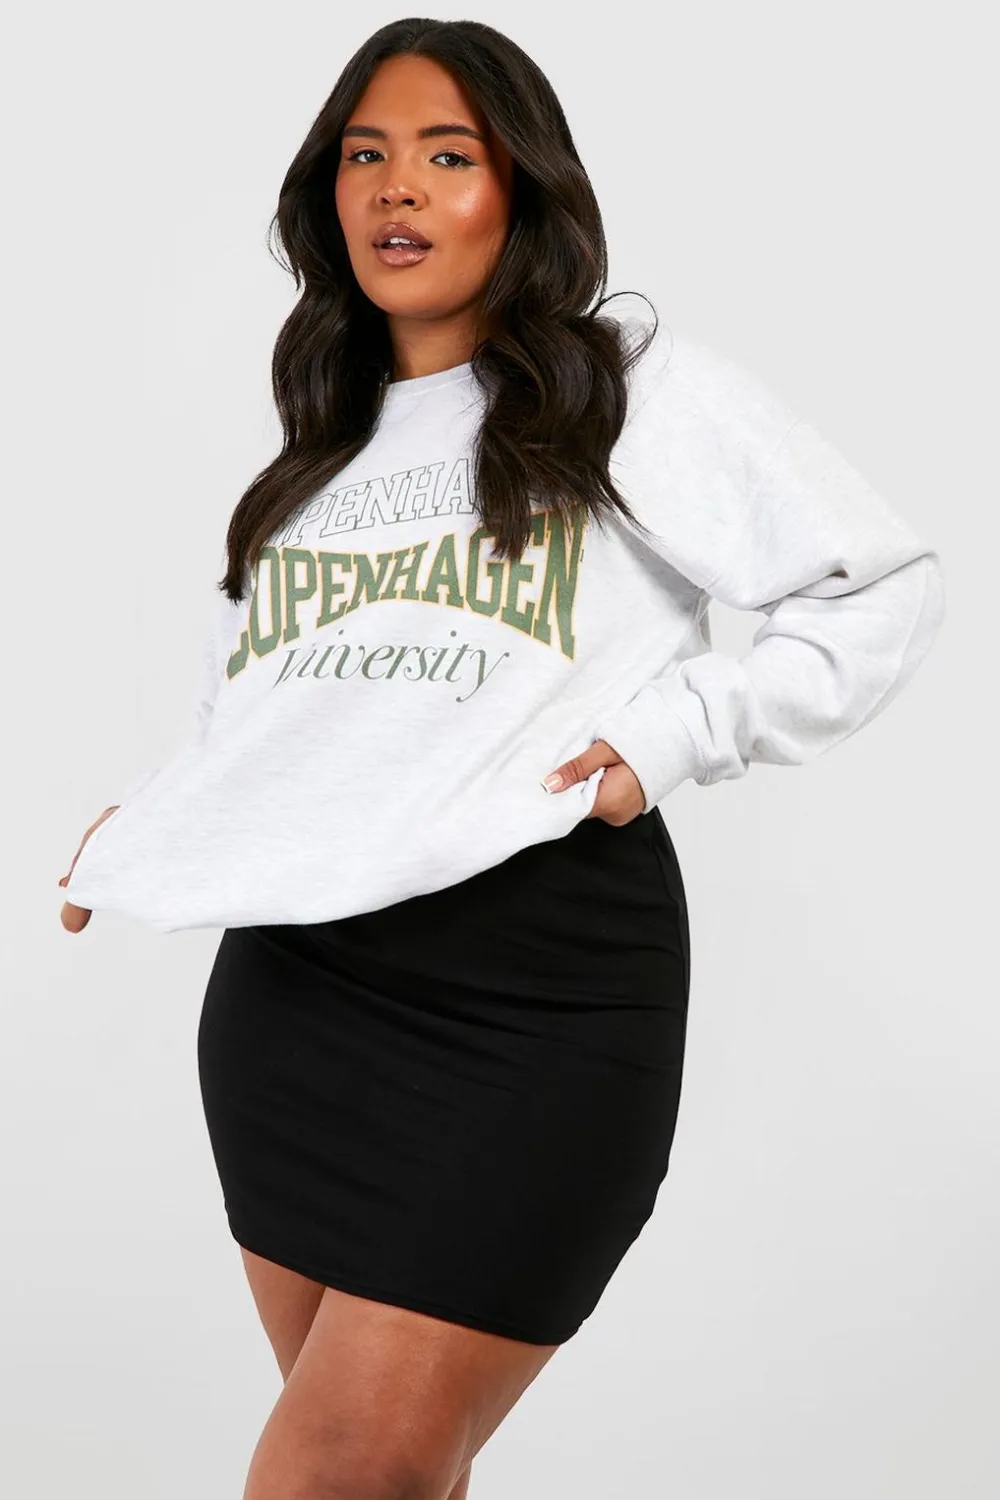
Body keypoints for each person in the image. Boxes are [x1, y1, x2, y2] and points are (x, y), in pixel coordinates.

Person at [57, 19, 945, 1500]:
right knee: (397, 1477)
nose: (397, 188)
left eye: (448, 155)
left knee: (337, 1472)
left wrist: (679, 734)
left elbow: (880, 585)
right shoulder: (311, 463)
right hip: (295, 1008)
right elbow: (266, 725)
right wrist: (160, 822)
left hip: (532, 995)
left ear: (521, 191)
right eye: (366, 156)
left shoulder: (622, 388)